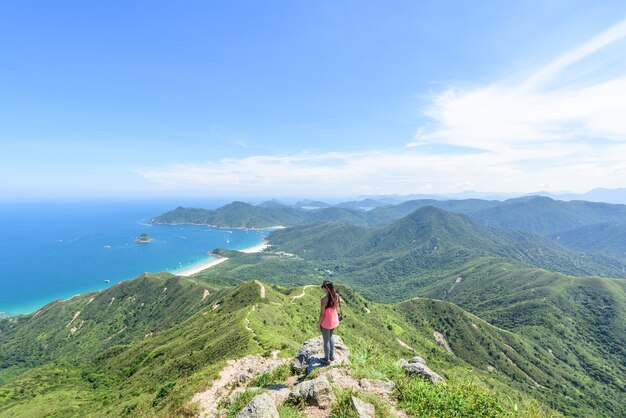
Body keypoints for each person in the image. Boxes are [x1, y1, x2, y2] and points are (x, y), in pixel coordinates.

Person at [318, 280, 340, 365]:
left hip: (327, 322)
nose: (322, 288)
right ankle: (331, 355)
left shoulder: (324, 300)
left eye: (322, 286)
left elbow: (322, 314)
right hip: (334, 320)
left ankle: (326, 359)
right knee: (331, 336)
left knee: (326, 341)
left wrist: (318, 323)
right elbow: (336, 308)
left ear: (326, 288)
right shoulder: (336, 296)